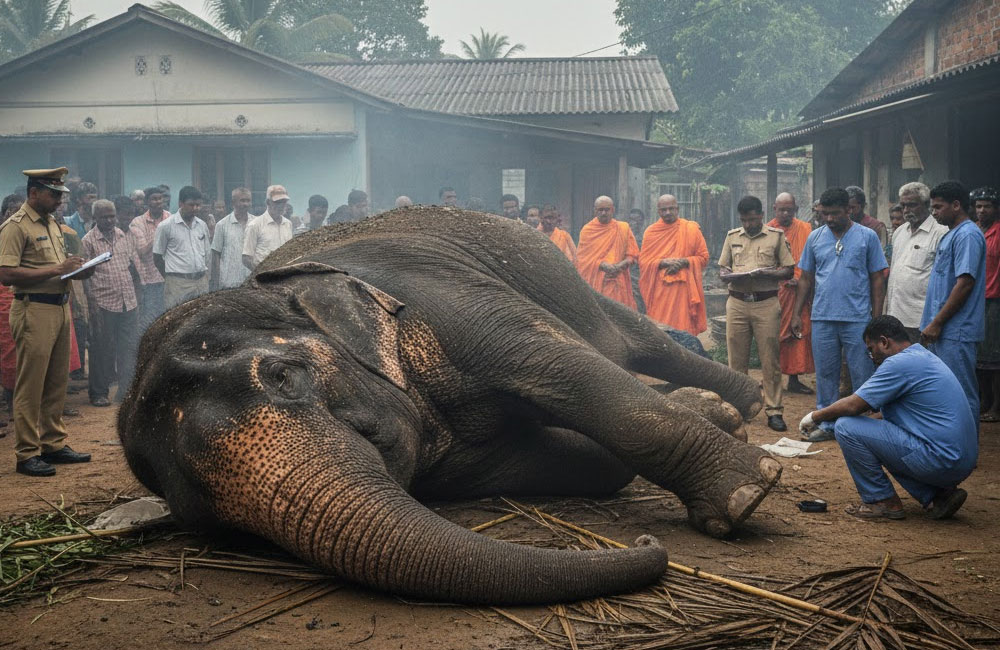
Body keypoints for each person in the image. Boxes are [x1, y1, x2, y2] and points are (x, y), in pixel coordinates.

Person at [799, 316, 976, 520]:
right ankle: (938, 495)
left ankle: (882, 501)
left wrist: (815, 416)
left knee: (846, 427)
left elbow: (853, 405)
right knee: (879, 437)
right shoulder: (922, 356)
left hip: (942, 460)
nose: (871, 356)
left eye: (871, 349)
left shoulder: (898, 363)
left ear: (884, 342)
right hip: (960, 460)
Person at [0, 168, 94, 477]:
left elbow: (60, 268)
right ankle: (27, 452)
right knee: (31, 384)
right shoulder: (15, 227)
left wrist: (79, 270)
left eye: (60, 195)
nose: (59, 200)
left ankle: (53, 443)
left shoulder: (54, 225)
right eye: (54, 194)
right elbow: (6, 273)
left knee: (57, 380)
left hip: (59, 307)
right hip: (33, 309)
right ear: (34, 192)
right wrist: (57, 270)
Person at [791, 187, 887, 442]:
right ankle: (828, 425)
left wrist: (876, 319)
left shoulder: (867, 237)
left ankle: (863, 426)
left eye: (834, 214)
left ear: (849, 209)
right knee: (825, 374)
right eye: (825, 214)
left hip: (857, 319)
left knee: (863, 373)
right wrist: (796, 314)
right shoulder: (814, 238)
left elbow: (878, 278)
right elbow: (805, 278)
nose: (829, 219)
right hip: (822, 317)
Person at [719, 195, 795, 431]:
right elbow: (723, 268)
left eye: (752, 219)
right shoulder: (732, 237)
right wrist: (728, 275)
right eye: (744, 220)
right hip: (737, 302)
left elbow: (789, 270)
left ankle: (774, 410)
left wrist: (767, 274)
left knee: (769, 358)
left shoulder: (776, 237)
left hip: (766, 303)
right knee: (736, 359)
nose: (749, 224)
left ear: (761, 215)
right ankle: (738, 407)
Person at [921, 181, 986, 427]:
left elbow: (965, 283)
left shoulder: (968, 234)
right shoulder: (951, 235)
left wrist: (937, 322)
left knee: (961, 391)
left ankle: (967, 449)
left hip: (955, 330)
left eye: (938, 207)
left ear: (956, 205)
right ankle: (949, 444)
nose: (934, 212)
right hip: (942, 329)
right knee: (943, 390)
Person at [81, 199, 140, 406]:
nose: (109, 220)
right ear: (95, 218)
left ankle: (125, 392)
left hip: (128, 302)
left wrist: (135, 296)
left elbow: (130, 267)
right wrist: (92, 305)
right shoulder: (88, 241)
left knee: (128, 348)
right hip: (103, 302)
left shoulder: (124, 235)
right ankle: (98, 393)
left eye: (112, 216)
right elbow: (84, 276)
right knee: (101, 349)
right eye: (104, 216)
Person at [885, 183, 948, 342]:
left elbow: (944, 280)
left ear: (927, 205)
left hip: (921, 319)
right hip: (896, 316)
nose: (906, 210)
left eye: (912, 205)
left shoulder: (940, 232)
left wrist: (936, 321)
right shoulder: (899, 232)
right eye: (903, 205)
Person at [639, 194, 709, 335]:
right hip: (660, 290)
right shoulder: (651, 232)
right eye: (663, 210)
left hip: (684, 291)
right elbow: (643, 262)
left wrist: (684, 261)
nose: (668, 213)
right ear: (658, 211)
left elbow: (703, 258)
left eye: (671, 208)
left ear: (678, 209)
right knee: (661, 330)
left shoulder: (691, 229)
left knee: (684, 331)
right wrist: (663, 262)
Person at [767, 192, 815, 394]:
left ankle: (793, 379)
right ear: (774, 209)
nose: (785, 213)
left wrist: (800, 278)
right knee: (771, 334)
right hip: (775, 292)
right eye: (781, 209)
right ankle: (771, 378)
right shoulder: (767, 230)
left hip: (800, 292)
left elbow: (811, 259)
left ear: (795, 209)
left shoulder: (806, 229)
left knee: (797, 335)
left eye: (789, 209)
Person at [153, 186, 211, 309]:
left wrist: (205, 277)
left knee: (201, 320)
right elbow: (157, 257)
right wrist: (171, 278)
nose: (195, 208)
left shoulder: (202, 225)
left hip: (201, 282)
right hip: (177, 283)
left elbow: (207, 254)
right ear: (181, 203)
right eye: (191, 205)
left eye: (198, 205)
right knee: (177, 321)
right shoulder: (166, 226)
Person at [576, 196, 639, 309]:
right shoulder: (587, 230)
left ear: (613, 210)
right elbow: (582, 260)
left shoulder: (623, 228)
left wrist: (619, 266)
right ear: (595, 211)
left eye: (607, 209)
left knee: (621, 316)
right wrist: (602, 264)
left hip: (619, 281)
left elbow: (633, 256)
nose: (604, 213)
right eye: (600, 210)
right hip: (597, 282)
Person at [971, 187, 1000, 422]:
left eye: (987, 206)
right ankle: (982, 400)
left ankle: (996, 407)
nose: (982, 211)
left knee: (994, 356)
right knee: (977, 354)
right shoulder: (972, 231)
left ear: (995, 209)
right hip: (973, 299)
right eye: (978, 206)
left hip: (994, 299)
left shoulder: (998, 233)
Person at [129, 186, 169, 331]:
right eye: (154, 199)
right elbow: (142, 251)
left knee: (169, 319)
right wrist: (160, 232)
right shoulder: (137, 222)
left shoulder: (171, 218)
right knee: (151, 322)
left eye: (160, 198)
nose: (158, 202)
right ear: (147, 202)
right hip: (149, 280)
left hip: (169, 277)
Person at [210, 187, 253, 291]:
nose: (246, 204)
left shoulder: (257, 223)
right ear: (233, 202)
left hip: (252, 282)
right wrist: (215, 283)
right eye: (242, 200)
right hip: (229, 283)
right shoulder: (222, 225)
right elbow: (216, 254)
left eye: (248, 201)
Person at [243, 185, 293, 271]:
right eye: (277, 202)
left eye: (284, 202)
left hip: (285, 278)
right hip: (263, 279)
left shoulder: (288, 224)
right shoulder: (255, 225)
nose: (281, 205)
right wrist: (261, 275)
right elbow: (246, 258)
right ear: (268, 202)